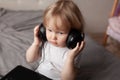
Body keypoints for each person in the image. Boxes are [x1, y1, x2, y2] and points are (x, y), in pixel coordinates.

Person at [26, 0, 85, 80]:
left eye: (60, 33)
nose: (53, 37)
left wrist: (70, 58)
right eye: (49, 30)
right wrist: (36, 43)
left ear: (73, 35)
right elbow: (30, 59)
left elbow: (67, 79)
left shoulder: (73, 51)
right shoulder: (46, 43)